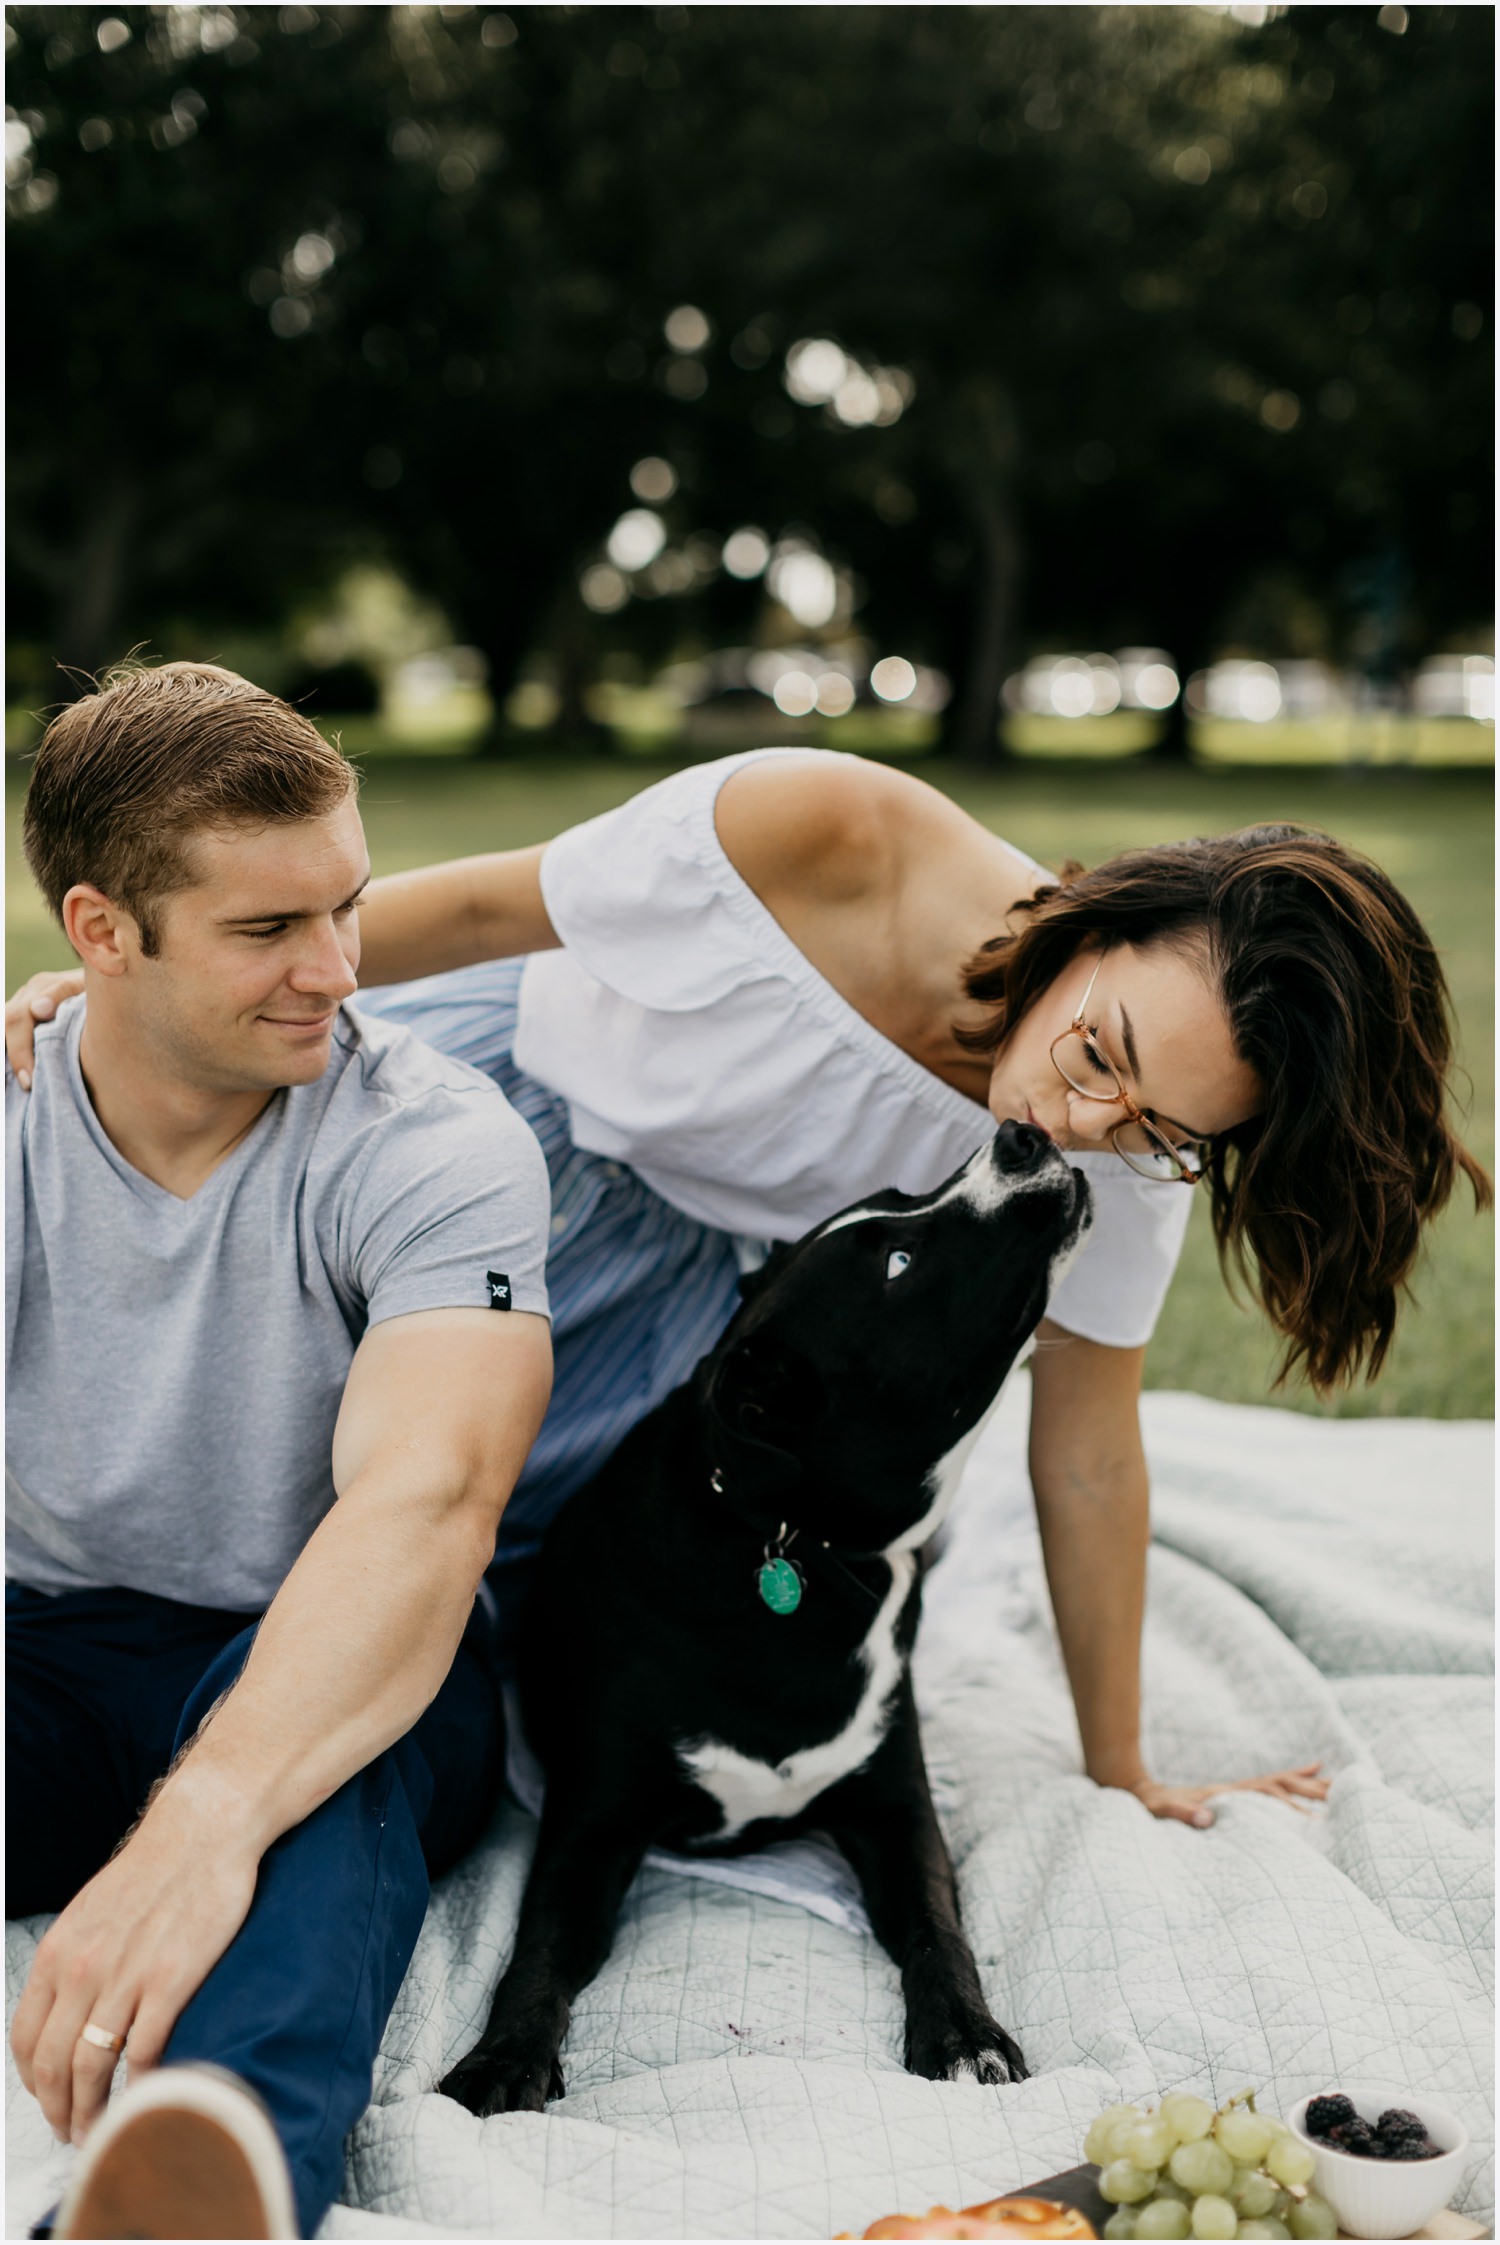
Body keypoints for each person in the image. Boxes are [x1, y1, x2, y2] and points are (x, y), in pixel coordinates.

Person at [13, 745, 1486, 1850]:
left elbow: (1090, 1446)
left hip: (661, 1320)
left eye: (1167, 1126)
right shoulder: (832, 831)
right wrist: (131, 1000)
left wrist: (1126, 1769)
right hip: (484, 1124)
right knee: (150, 1414)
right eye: (1102, 1054)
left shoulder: (1114, 1159)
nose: (1090, 1121)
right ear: (1099, 915)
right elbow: (470, 909)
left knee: (395, 1569)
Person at [5, 663, 554, 2239]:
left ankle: (206, 2155)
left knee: (321, 1795)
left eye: (348, 908)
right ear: (103, 931)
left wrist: (204, 1815)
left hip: (344, 1644)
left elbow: (429, 1504)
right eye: (268, 930)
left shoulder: (434, 1140)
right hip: (46, 1638)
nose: (335, 969)